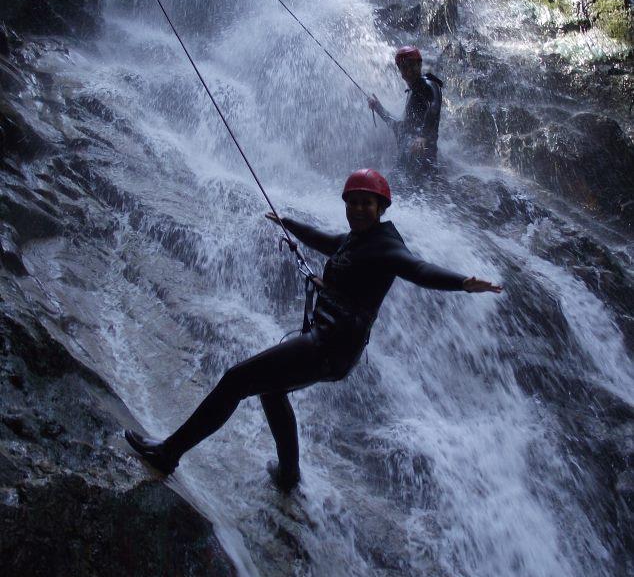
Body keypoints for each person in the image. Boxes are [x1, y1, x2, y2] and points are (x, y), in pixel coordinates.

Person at [125, 169, 502, 491]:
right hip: (333, 348)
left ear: (381, 207)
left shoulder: (387, 247)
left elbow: (418, 269)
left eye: (365, 203)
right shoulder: (358, 240)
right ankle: (288, 476)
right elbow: (326, 240)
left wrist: (462, 283)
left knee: (236, 380)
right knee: (271, 393)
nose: (357, 209)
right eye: (352, 202)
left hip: (328, 346)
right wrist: (287, 223)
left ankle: (169, 453)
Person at [369, 45, 443, 179]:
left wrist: (423, 136)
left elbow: (434, 107)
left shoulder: (429, 84)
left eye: (411, 65)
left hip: (423, 164)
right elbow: (398, 125)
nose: (408, 71)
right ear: (400, 71)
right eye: (404, 67)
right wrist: (378, 108)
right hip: (405, 165)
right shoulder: (412, 93)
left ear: (419, 65)